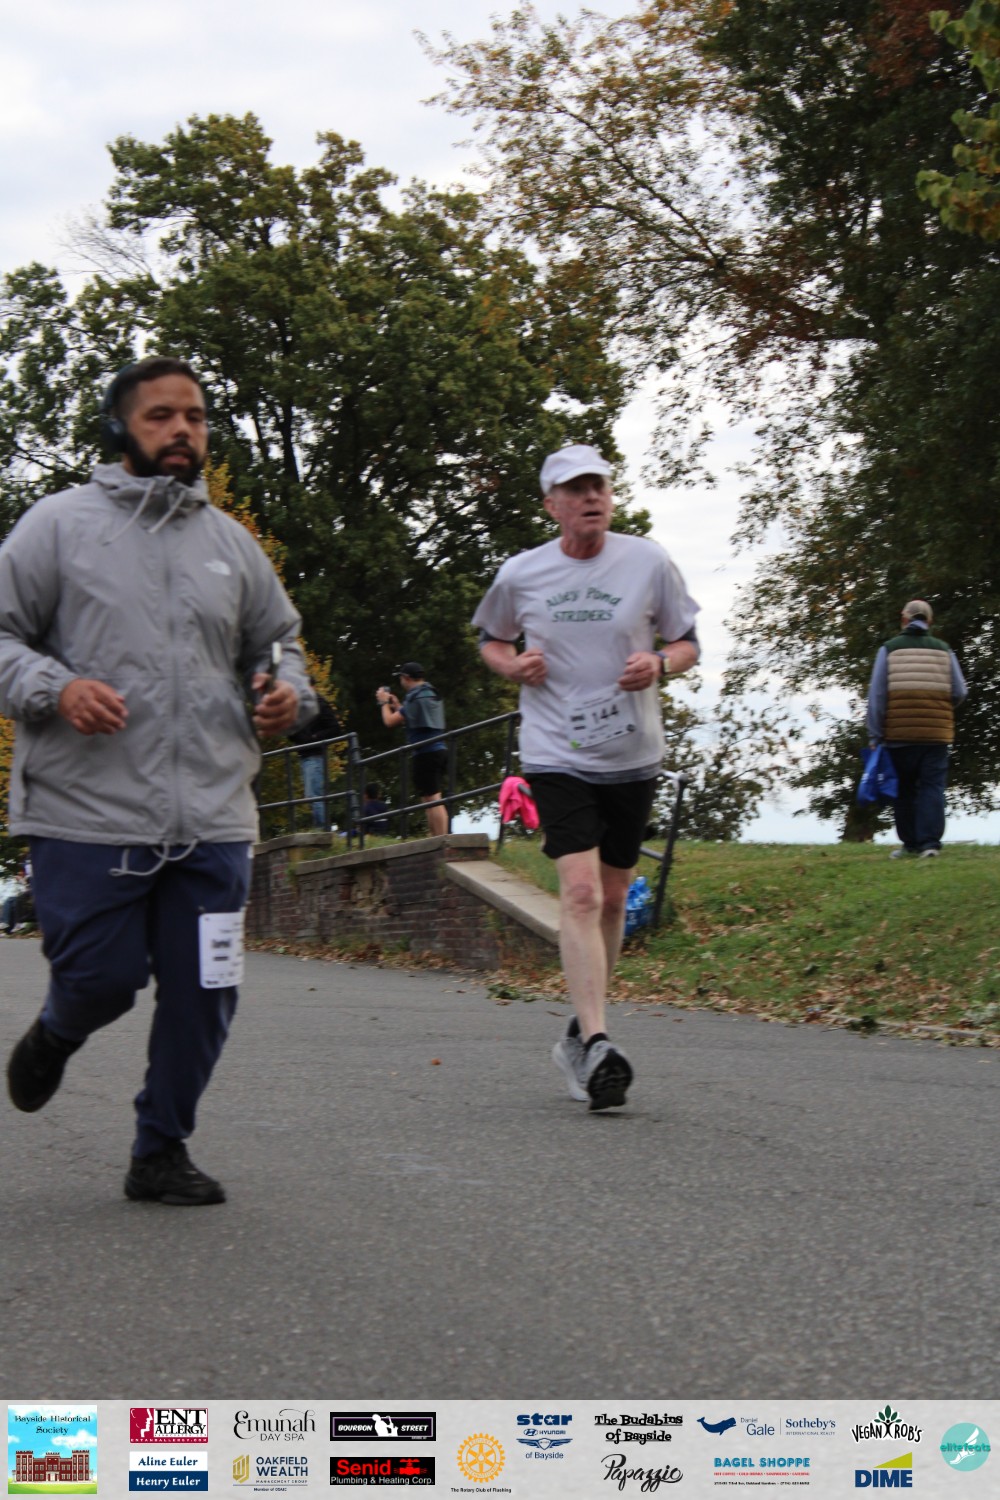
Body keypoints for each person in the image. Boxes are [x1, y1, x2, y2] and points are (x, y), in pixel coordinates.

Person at [0, 355, 315, 1205]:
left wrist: (287, 691)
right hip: (85, 813)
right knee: (101, 981)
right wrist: (56, 687)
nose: (183, 431)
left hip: (214, 812)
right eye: (161, 416)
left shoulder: (231, 545)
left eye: (196, 417)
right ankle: (58, 1031)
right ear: (119, 429)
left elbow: (279, 644)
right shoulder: (57, 526)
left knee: (208, 988)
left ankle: (160, 1149)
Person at [473, 443, 700, 1111]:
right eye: (575, 489)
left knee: (612, 897)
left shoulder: (648, 561)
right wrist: (512, 666)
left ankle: (581, 1031)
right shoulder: (522, 573)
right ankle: (599, 1040)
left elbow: (688, 641)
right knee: (578, 891)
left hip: (631, 752)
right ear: (552, 505)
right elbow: (491, 638)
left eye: (599, 484)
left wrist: (661, 664)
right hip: (556, 750)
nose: (591, 496)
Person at [866, 598, 966, 859]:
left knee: (904, 789)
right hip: (936, 734)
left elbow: (877, 697)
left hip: (898, 734)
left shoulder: (889, 649)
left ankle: (910, 844)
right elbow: (960, 691)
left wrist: (875, 734)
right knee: (932, 787)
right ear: (930, 622)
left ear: (904, 619)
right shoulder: (944, 650)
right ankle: (930, 844)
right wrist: (939, 707)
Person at [375, 663, 449, 837]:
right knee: (428, 799)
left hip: (426, 752)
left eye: (401, 677)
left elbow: (389, 721)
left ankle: (442, 840)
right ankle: (435, 839)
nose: (400, 681)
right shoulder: (429, 692)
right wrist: (398, 706)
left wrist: (383, 702)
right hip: (438, 749)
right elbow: (415, 716)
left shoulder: (415, 697)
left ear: (407, 678)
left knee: (433, 799)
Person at [287, 692, 341, 828]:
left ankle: (323, 830)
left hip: (315, 754)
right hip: (305, 754)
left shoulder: (318, 703)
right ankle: (321, 829)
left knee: (315, 795)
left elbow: (335, 728)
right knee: (311, 795)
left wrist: (315, 737)